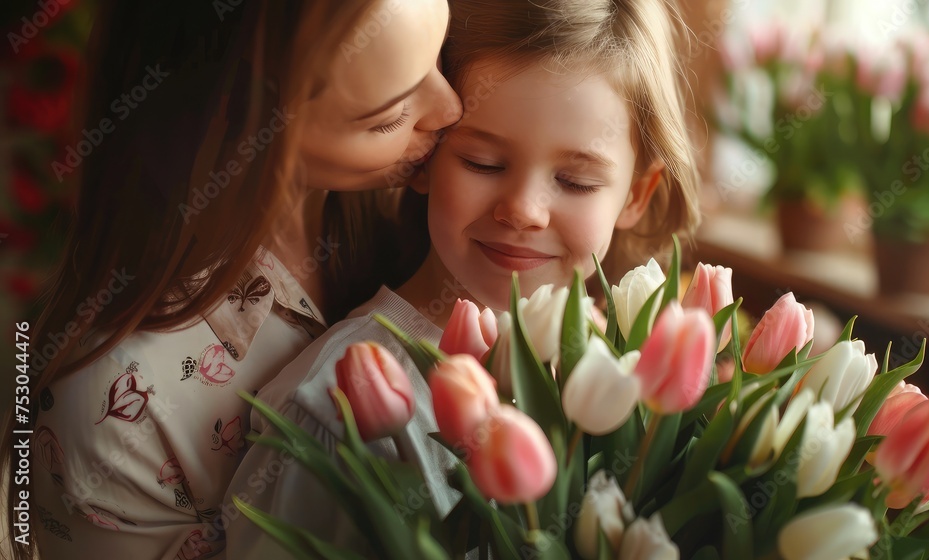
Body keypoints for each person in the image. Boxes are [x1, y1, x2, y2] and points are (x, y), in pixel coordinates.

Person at [224, 0, 701, 556]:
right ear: (424, 156)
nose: (524, 210)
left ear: (636, 196)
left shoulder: (624, 379)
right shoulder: (342, 408)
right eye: (483, 162)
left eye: (575, 181)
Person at [2, 0, 461, 558]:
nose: (453, 108)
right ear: (245, 127)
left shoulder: (423, 210)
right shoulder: (118, 410)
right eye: (388, 117)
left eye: (442, 53)